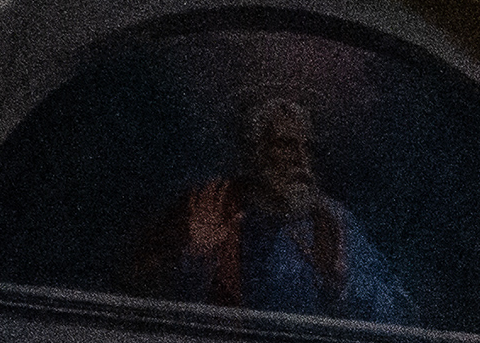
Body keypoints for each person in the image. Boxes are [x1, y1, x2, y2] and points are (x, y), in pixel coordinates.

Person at [124, 95, 415, 322]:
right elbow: (138, 295)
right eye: (286, 144)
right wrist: (195, 259)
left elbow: (403, 315)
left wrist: (342, 284)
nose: (301, 158)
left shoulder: (333, 222)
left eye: (307, 147)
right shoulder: (210, 206)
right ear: (256, 150)